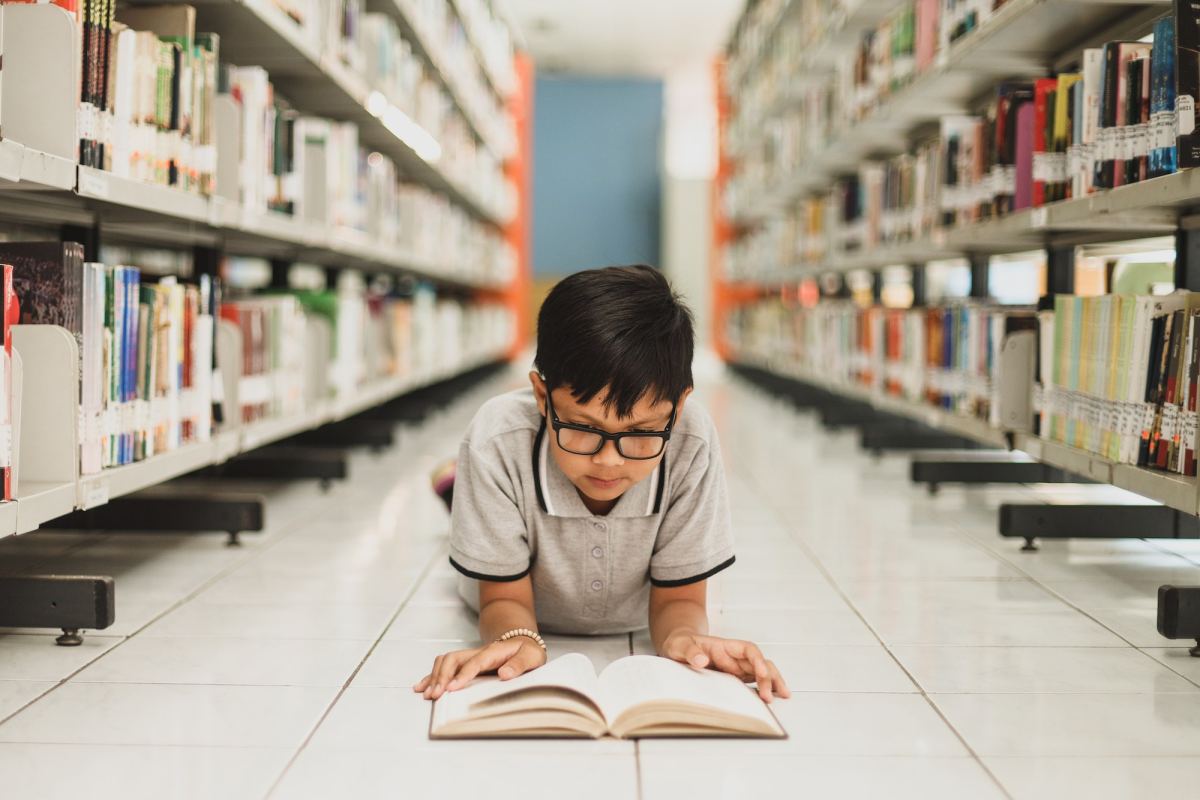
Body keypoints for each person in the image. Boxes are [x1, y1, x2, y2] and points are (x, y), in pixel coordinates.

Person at [414, 265, 790, 704]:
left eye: (641, 432)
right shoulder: (495, 439)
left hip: (634, 612)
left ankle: (458, 488)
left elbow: (678, 603)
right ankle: (457, 489)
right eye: (582, 428)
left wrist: (688, 640)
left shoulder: (692, 439)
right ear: (541, 396)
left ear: (679, 406)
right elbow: (501, 599)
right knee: (474, 501)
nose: (608, 460)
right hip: (511, 591)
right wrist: (516, 637)